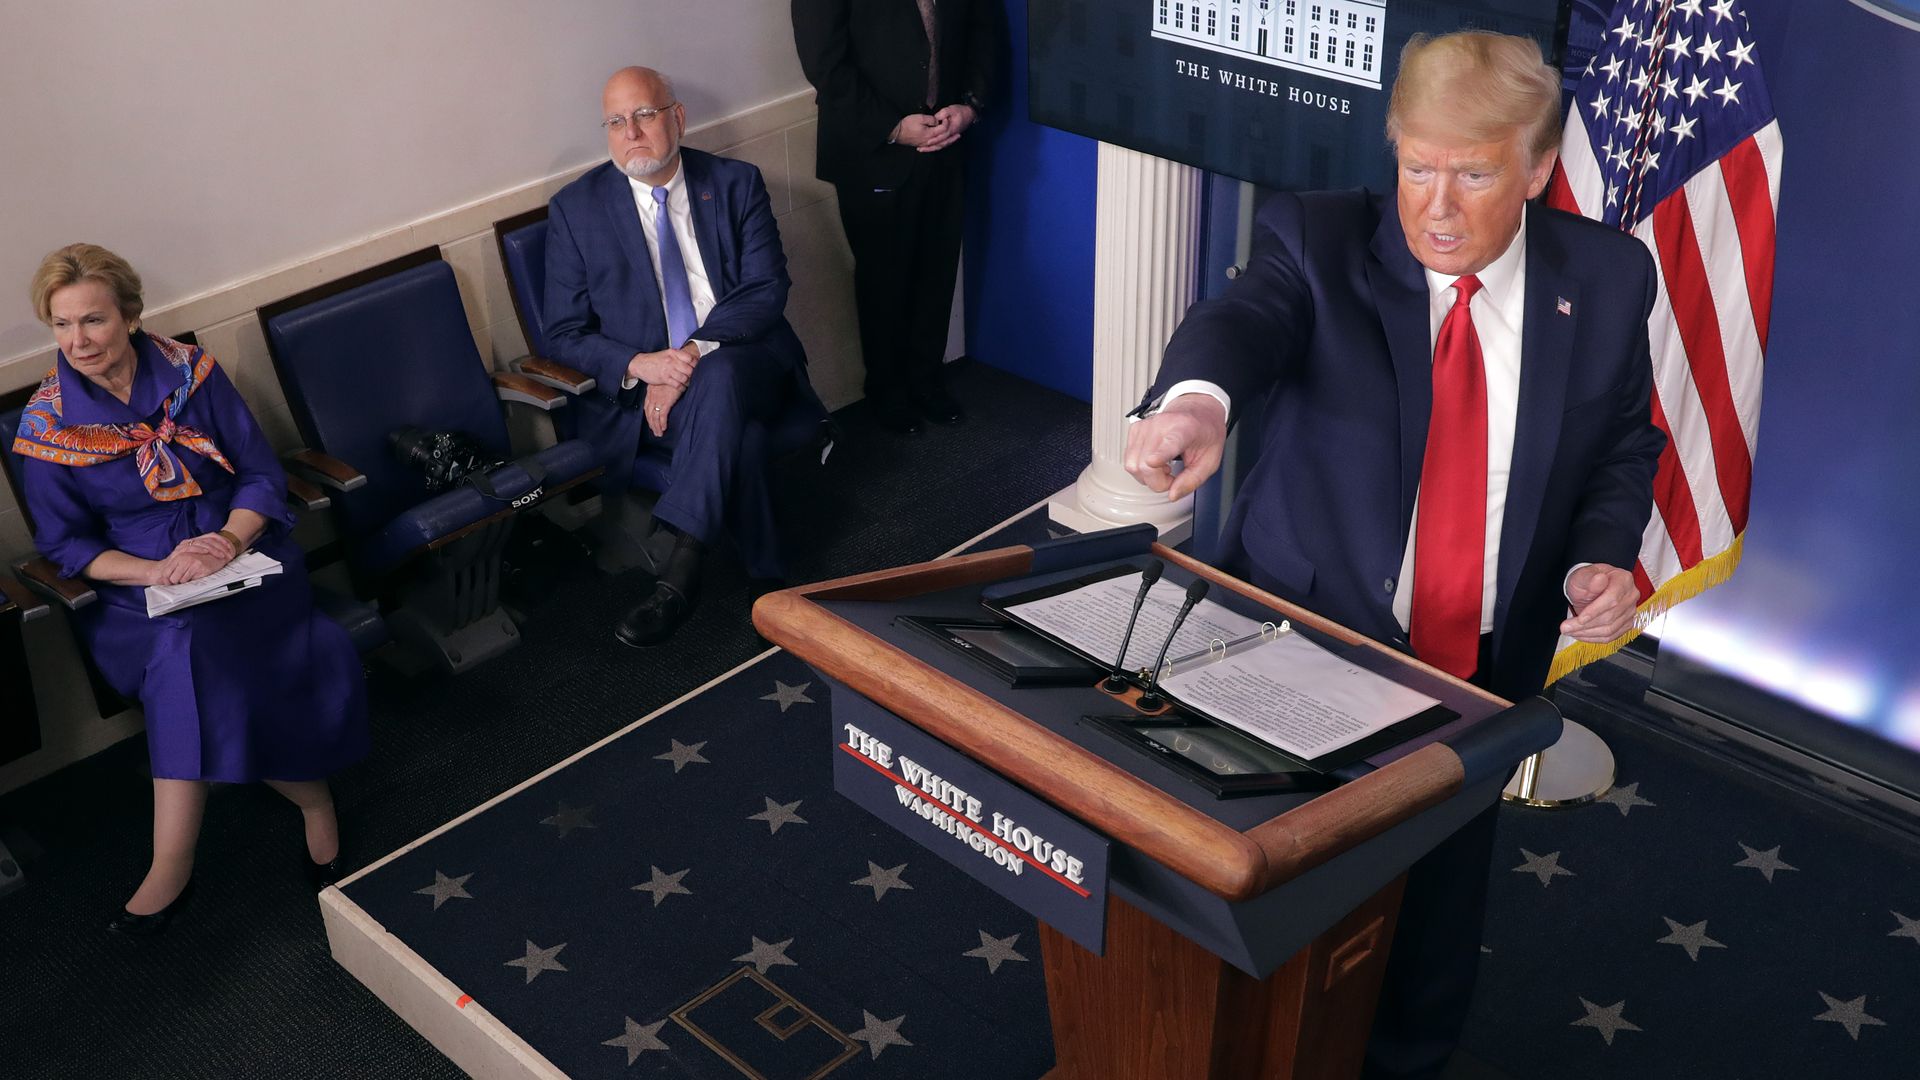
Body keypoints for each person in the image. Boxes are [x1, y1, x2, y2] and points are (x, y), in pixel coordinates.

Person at [1122, 32, 1665, 1079]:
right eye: (1417, 166)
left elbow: (1624, 438)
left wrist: (1602, 553)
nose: (1439, 207)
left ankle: (1407, 1057)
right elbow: (1240, 322)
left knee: (1441, 884)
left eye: (1473, 171)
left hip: (1477, 661)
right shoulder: (1318, 239)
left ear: (1538, 167)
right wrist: (1195, 402)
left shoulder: (1604, 278)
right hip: (1300, 631)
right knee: (1261, 876)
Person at [13, 244, 368, 935]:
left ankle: (191, 860)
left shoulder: (191, 375)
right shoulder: (47, 423)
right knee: (186, 642)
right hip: (137, 590)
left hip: (241, 552)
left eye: (93, 320)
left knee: (206, 650)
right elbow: (65, 546)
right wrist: (157, 572)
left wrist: (226, 542)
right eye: (60, 326)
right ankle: (288, 810)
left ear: (131, 317)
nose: (77, 341)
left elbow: (261, 476)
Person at [544, 66, 823, 647]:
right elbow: (564, 334)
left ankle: (680, 574)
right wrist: (645, 367)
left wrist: (689, 355)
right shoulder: (577, 210)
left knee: (718, 375)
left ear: (677, 116)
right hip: (648, 390)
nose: (632, 133)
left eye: (644, 114)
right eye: (616, 122)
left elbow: (767, 289)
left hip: (747, 361)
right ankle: (766, 578)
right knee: (738, 437)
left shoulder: (734, 182)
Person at [792, 0, 1001, 435]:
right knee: (883, 278)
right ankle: (886, 392)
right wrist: (891, 126)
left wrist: (970, 106)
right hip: (873, 148)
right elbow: (824, 62)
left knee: (938, 269)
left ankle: (926, 381)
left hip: (948, 138)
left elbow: (985, 24)